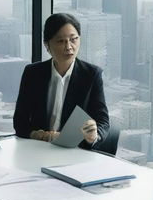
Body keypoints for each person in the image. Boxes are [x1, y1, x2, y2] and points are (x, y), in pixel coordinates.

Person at [13, 12, 110, 150]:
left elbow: (103, 122)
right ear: (47, 45)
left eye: (73, 39)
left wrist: (94, 135)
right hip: (37, 149)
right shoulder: (33, 73)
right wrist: (38, 135)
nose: (69, 47)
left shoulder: (91, 75)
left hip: (75, 151)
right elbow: (19, 121)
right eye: (61, 41)